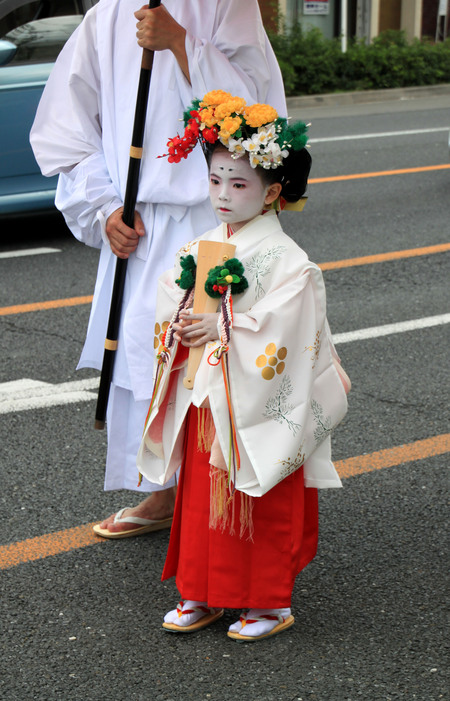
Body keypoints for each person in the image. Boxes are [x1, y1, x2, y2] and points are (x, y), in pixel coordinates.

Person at [29, 0, 287, 537]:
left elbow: (257, 116)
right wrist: (103, 206)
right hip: (139, 224)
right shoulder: (107, 15)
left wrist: (181, 43)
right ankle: (161, 491)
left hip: (212, 220)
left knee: (212, 356)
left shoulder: (225, 5)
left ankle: (220, 491)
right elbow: (66, 127)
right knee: (146, 361)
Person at [136, 92, 350, 641]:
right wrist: (184, 317)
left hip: (257, 401)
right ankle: (201, 591)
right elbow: (172, 295)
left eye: (239, 184)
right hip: (211, 393)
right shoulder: (207, 244)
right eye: (215, 181)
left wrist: (226, 330)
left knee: (258, 491)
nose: (224, 195)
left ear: (273, 192)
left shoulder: (289, 260)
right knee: (203, 492)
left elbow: (291, 324)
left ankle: (267, 602)